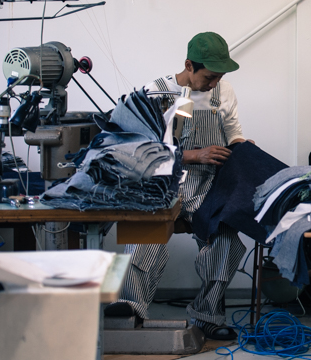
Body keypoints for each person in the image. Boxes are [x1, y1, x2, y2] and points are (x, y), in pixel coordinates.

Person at [106, 32, 247, 339]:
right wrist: (195, 155)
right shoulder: (154, 93)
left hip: (206, 187)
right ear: (189, 65)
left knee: (226, 240)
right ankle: (130, 310)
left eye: (219, 77)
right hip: (161, 185)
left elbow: (233, 130)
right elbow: (136, 149)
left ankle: (207, 315)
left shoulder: (223, 92)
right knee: (143, 240)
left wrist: (243, 150)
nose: (214, 84)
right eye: (209, 77)